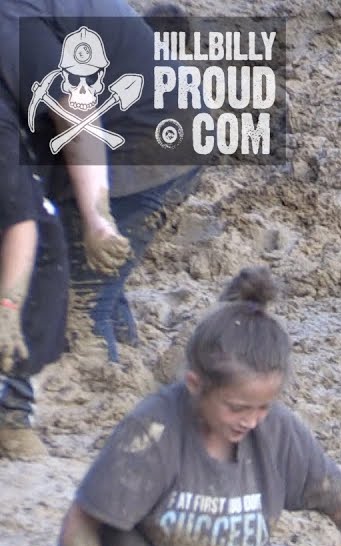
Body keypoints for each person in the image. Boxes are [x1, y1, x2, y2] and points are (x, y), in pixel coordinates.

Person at [56, 267, 341, 546]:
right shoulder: (153, 430)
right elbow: (83, 523)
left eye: (263, 407)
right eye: (237, 408)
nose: (251, 421)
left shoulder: (278, 430)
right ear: (195, 384)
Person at [4, 0, 201, 362]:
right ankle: (125, 364)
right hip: (171, 124)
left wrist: (98, 216)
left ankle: (101, 390)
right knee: (98, 278)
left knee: (77, 304)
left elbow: (74, 106)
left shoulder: (9, 17)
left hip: (143, 137)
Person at [0, 81, 70, 460]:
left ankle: (14, 413)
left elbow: (21, 225)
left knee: (42, 264)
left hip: (30, 233)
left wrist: (8, 310)